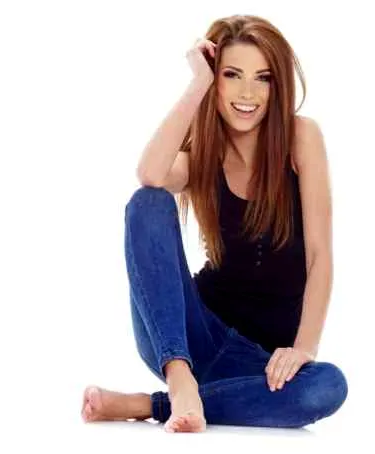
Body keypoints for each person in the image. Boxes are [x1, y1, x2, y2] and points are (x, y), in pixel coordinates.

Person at [81, 14, 348, 433]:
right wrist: (197, 84)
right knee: (147, 202)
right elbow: (149, 174)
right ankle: (180, 381)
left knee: (328, 386)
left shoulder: (301, 137)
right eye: (231, 75)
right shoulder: (203, 156)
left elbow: (319, 255)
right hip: (187, 339)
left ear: (278, 86)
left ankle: (153, 404)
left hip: (261, 363)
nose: (248, 93)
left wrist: (303, 349)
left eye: (263, 78)